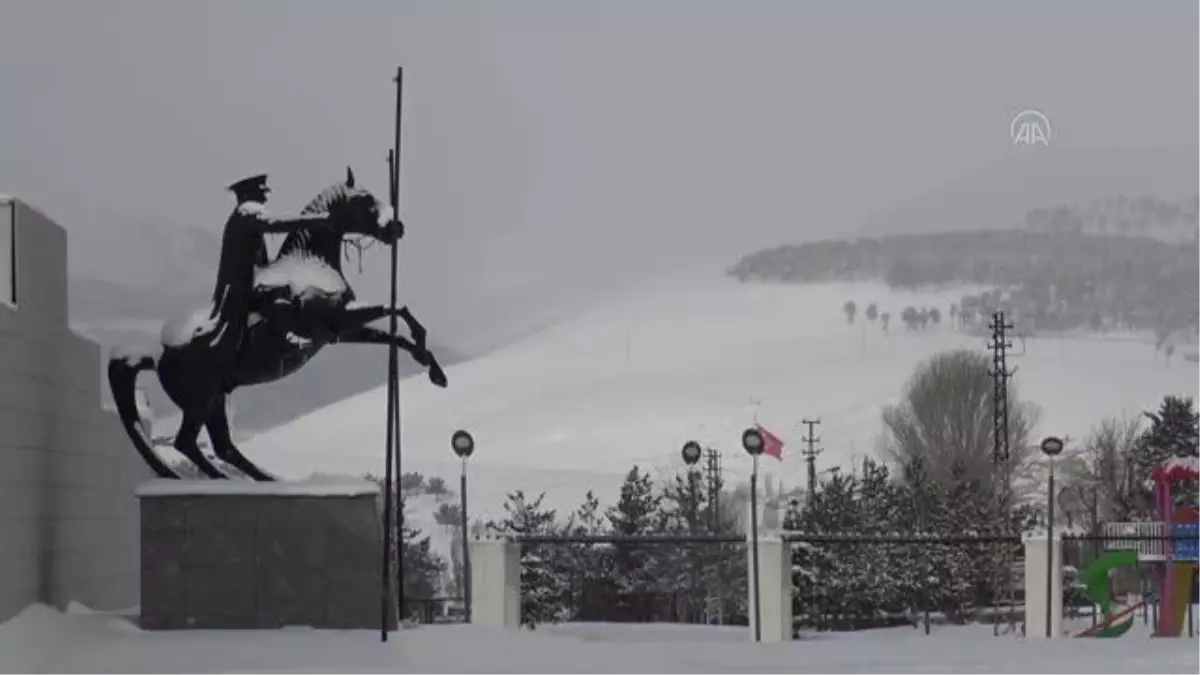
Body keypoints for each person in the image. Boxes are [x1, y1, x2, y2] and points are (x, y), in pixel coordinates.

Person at [208, 174, 317, 361]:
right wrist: (318, 220)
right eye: (262, 193)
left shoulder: (244, 216)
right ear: (250, 194)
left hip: (247, 282)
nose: (266, 198)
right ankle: (286, 337)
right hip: (239, 289)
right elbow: (278, 224)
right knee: (276, 302)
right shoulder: (246, 214)